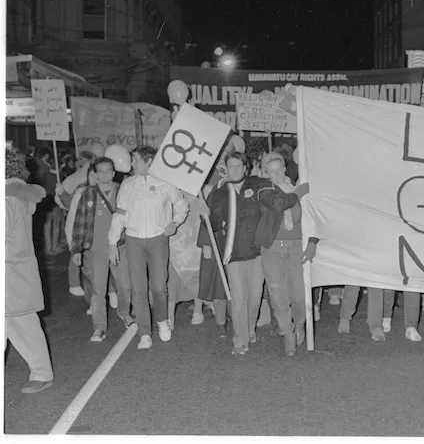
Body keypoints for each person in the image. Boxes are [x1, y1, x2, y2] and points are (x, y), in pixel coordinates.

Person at [197, 151, 308, 356]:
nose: (235, 170)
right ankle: (240, 340)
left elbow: (275, 202)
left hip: (258, 252)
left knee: (255, 296)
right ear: (226, 169)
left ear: (245, 168)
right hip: (234, 252)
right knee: (238, 298)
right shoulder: (219, 192)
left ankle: (249, 328)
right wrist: (204, 214)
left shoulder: (256, 184)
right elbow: (212, 225)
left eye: (239, 166)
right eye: (231, 167)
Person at [108, 146, 189, 350]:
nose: (131, 164)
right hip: (133, 240)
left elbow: (181, 205)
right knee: (138, 288)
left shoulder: (165, 184)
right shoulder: (127, 184)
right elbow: (119, 215)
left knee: (159, 287)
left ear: (149, 161)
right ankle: (145, 333)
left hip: (157, 240)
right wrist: (112, 242)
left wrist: (174, 223)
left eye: (135, 160)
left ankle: (162, 322)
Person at [5, 149, 55, 393]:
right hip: (14, 270)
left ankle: (42, 373)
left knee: (24, 324)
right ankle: (41, 373)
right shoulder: (16, 194)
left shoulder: (8, 199)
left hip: (10, 273)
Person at [258, 152, 318, 356]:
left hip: (296, 247)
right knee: (277, 293)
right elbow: (279, 204)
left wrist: (312, 241)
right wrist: (298, 193)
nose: (276, 174)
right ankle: (287, 332)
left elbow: (313, 217)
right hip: (272, 248)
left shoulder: (297, 188)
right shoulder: (264, 190)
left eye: (279, 169)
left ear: (285, 169)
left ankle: (299, 324)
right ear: (266, 174)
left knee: (300, 295)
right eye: (271, 171)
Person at [71, 157, 135, 342]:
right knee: (98, 290)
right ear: (95, 174)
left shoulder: (123, 191)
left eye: (108, 170)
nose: (105, 174)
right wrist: (76, 249)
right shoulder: (88, 194)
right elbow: (79, 222)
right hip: (96, 248)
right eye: (101, 171)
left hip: (120, 246)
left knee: (125, 284)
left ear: (114, 173)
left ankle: (124, 313)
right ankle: (99, 327)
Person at [56, 150, 96, 297]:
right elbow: (69, 204)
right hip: (77, 228)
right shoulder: (80, 188)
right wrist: (62, 193)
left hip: (94, 230)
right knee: (76, 255)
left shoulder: (106, 189)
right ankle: (74, 284)